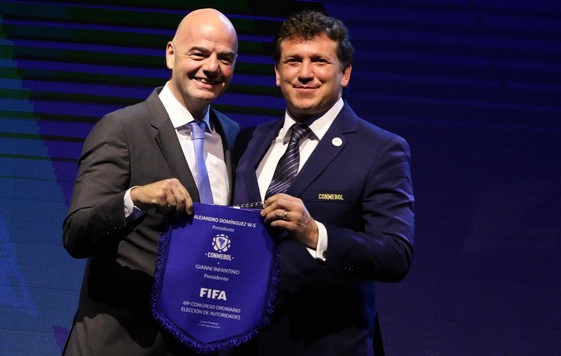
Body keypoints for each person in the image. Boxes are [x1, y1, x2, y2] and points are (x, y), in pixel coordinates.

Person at [230, 10, 415, 356]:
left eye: (319, 61)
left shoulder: (381, 149)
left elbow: (395, 255)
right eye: (292, 61)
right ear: (276, 73)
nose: (304, 73)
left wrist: (316, 233)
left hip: (329, 346)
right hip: (245, 346)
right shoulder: (249, 141)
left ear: (344, 73)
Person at [62, 8, 241, 355]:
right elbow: (76, 234)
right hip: (121, 344)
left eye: (225, 58)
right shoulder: (122, 128)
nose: (212, 67)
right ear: (170, 54)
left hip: (197, 343)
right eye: (199, 53)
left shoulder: (233, 136)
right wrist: (135, 198)